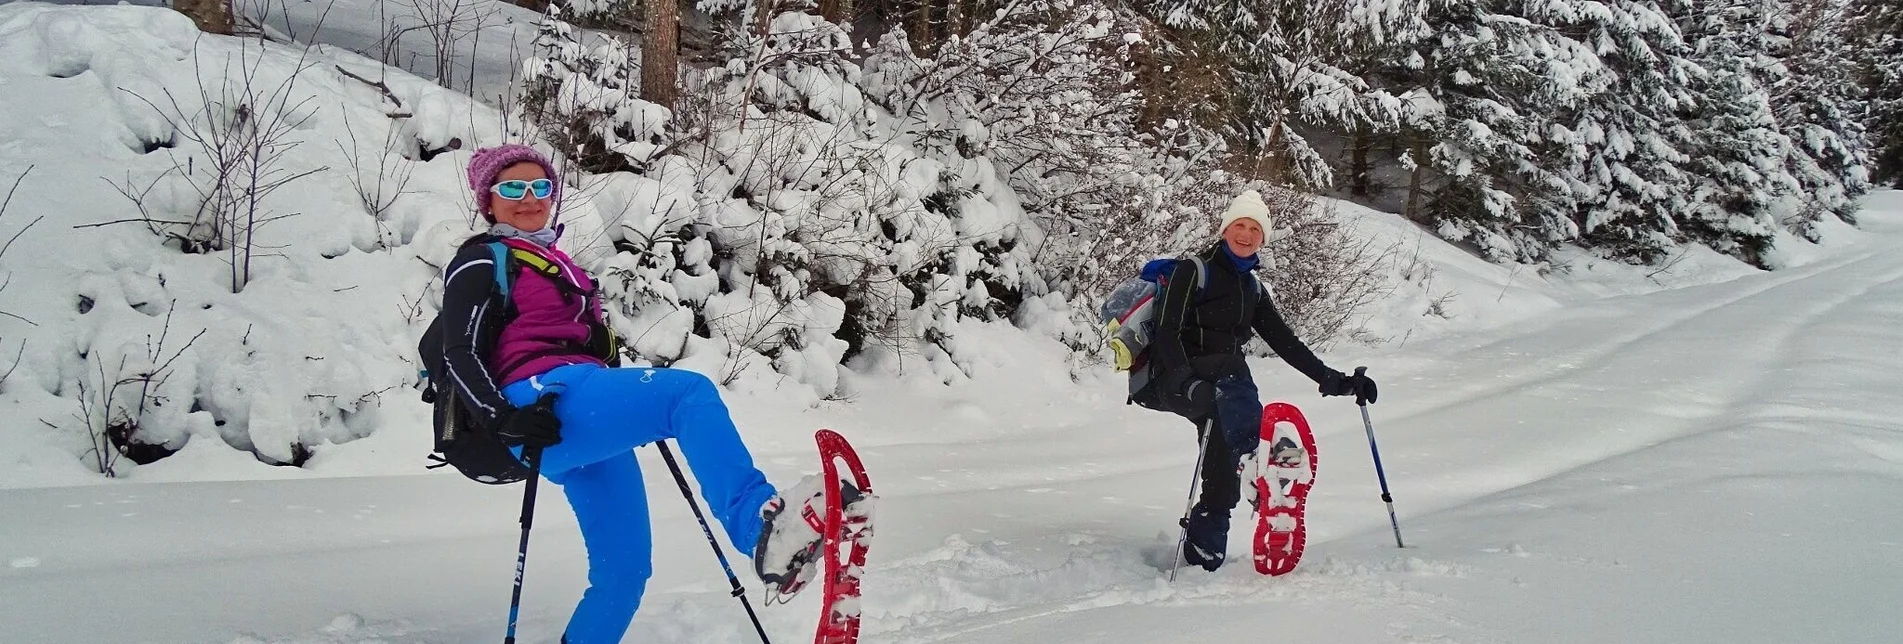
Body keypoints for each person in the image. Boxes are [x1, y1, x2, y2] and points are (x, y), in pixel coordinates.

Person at [433, 144, 865, 644]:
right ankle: (758, 529)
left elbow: (585, 349)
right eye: (512, 188)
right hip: (535, 402)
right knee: (687, 395)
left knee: (624, 576)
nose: (529, 199)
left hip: (571, 415)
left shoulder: (555, 263)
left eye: (541, 187)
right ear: (488, 201)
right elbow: (456, 352)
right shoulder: (480, 260)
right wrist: (501, 417)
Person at [1145, 189, 1378, 572]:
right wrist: (1186, 381)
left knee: (1221, 469)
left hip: (1219, 394)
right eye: (1240, 224)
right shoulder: (1193, 270)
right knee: (1232, 367)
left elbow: (1287, 344)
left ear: (1263, 239)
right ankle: (1259, 459)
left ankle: (1203, 558)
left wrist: (1338, 381)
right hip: (1171, 380)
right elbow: (1168, 333)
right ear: (1225, 229)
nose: (1246, 233)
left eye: (1256, 228)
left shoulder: (1251, 289)